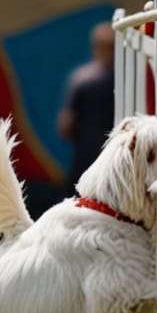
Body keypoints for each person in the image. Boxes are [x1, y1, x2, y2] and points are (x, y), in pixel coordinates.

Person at [57, 21, 115, 193]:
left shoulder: (81, 79)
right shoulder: (130, 78)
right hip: (114, 163)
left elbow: (65, 126)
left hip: (86, 164)